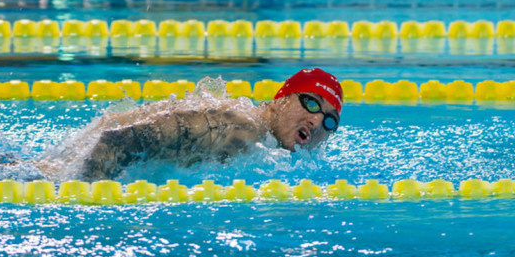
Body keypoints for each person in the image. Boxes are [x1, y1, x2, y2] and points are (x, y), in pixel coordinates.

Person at [37, 68, 343, 182]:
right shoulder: (234, 125)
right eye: (311, 103)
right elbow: (114, 141)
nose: (317, 121)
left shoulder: (263, 144)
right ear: (280, 100)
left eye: (330, 121)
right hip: (56, 175)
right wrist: (86, 201)